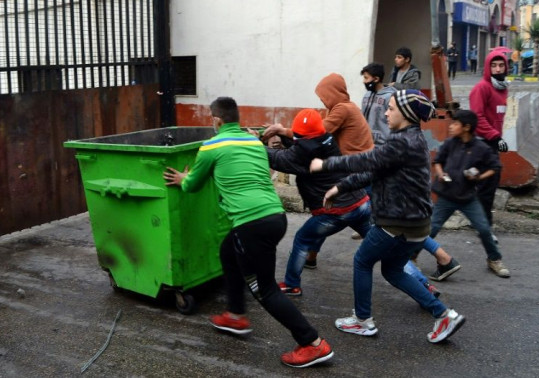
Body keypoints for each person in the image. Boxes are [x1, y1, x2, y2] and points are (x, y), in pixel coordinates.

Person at [163, 97, 334, 369]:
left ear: (216, 121)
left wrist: (182, 179)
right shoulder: (254, 142)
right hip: (275, 217)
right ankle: (235, 315)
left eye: (212, 120)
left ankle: (312, 343)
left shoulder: (211, 146)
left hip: (251, 224)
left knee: (265, 289)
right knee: (228, 252)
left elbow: (193, 185)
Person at [309, 89, 466, 344]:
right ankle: (443, 314)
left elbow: (366, 161)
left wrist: (325, 165)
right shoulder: (409, 140)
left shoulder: (403, 142)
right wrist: (341, 187)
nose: (385, 112)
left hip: (398, 224)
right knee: (393, 271)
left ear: (405, 113)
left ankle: (362, 320)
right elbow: (374, 172)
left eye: (391, 108)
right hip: (415, 226)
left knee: (362, 261)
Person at [360, 63, 459, 282]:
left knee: (396, 222)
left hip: (388, 156)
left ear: (376, 78)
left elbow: (395, 127)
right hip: (376, 154)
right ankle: (441, 261)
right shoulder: (366, 99)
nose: (365, 81)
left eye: (367, 77)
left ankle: (436, 267)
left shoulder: (393, 99)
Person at [262, 109, 372, 296]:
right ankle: (421, 283)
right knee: (385, 247)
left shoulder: (302, 153)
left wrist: (250, 143)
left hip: (335, 210)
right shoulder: (326, 138)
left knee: (302, 239)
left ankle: (291, 284)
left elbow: (280, 158)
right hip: (360, 203)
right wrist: (282, 132)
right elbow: (300, 148)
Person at [429, 110, 510, 278]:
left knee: (484, 229)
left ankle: (494, 259)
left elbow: (495, 167)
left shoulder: (481, 148)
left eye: (455, 124)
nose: (451, 127)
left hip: (468, 198)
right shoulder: (450, 143)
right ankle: (411, 256)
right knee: (431, 229)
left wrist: (479, 177)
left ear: (466, 127)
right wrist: (441, 174)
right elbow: (437, 162)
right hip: (446, 196)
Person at [469, 50, 509, 232]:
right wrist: (495, 136)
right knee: (487, 184)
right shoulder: (482, 87)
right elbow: (477, 117)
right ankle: (483, 224)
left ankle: (481, 221)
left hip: (492, 141)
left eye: (501, 65)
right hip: (482, 142)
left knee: (487, 183)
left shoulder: (501, 87)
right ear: (487, 67)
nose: (497, 69)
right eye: (493, 65)